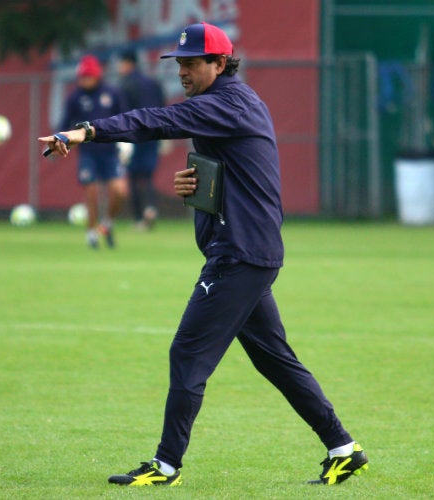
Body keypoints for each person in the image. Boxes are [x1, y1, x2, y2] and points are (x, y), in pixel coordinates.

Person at [38, 22, 368, 486]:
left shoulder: (227, 103)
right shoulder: (226, 103)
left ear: (220, 63)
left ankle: (166, 465)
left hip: (240, 255)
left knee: (187, 353)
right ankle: (344, 448)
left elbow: (155, 121)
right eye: (180, 64)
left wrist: (85, 132)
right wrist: (194, 188)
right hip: (247, 248)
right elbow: (234, 176)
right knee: (274, 358)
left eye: (193, 63)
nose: (184, 72)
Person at [59, 54, 129, 248]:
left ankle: (106, 223)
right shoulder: (75, 96)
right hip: (88, 152)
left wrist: (126, 142)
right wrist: (59, 140)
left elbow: (125, 118)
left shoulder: (112, 93)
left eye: (88, 76)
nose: (85, 80)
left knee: (120, 191)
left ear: (97, 75)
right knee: (92, 192)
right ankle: (91, 231)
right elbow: (65, 122)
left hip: (111, 152)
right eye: (82, 76)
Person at [117, 49, 166, 230]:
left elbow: (123, 113)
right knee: (148, 176)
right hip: (153, 134)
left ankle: (138, 218)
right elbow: (162, 106)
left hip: (134, 136)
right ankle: (151, 208)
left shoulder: (126, 84)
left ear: (128, 63)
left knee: (133, 176)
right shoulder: (153, 83)